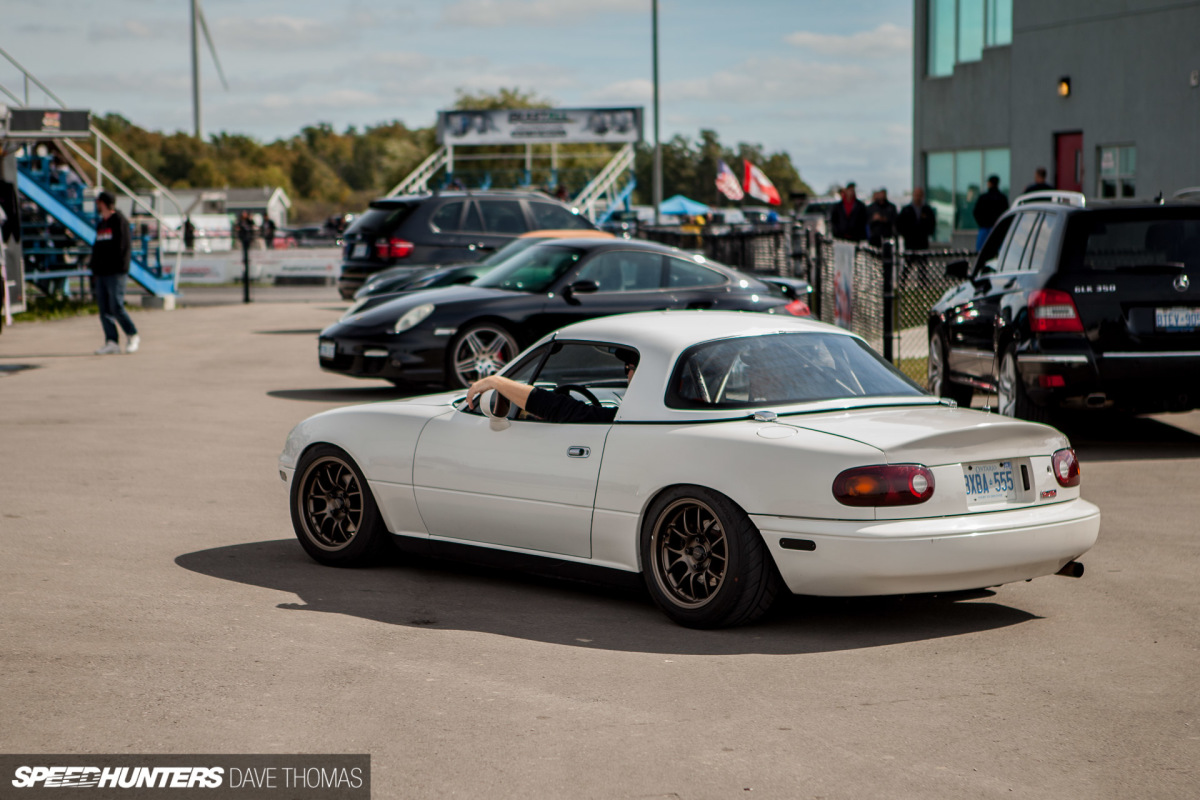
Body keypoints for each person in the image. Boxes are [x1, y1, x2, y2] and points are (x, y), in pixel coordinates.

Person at [465, 352, 637, 425]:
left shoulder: (627, 418)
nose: (627, 375)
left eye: (629, 368)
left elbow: (560, 409)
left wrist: (497, 383)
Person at [89, 192, 139, 355]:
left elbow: (124, 247)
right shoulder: (101, 224)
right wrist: (94, 268)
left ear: (103, 203)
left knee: (116, 306)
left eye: (98, 202)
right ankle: (112, 342)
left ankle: (132, 334)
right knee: (104, 308)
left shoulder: (119, 221)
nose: (97, 205)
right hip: (102, 273)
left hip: (116, 272)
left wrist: (122, 268)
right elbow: (97, 248)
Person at [972, 175, 1009, 250]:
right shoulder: (1002, 198)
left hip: (985, 228)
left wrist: (982, 223)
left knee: (980, 252)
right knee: (999, 253)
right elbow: (1006, 214)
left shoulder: (983, 197)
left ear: (990, 183)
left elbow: (976, 212)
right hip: (998, 229)